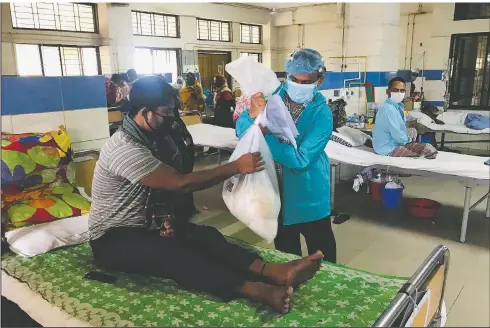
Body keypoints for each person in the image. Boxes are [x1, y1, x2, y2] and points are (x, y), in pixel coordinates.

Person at [89, 75, 324, 314]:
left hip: (148, 226)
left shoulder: (152, 138)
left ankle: (273, 272)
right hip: (113, 238)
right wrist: (235, 167)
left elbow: (157, 189)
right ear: (145, 112)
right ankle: (255, 290)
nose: (171, 119)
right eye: (166, 113)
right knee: (177, 255)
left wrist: (165, 219)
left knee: (207, 237)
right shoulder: (124, 148)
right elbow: (178, 183)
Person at [236, 48, 337, 263]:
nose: (299, 86)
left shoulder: (322, 113)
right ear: (287, 76)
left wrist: (265, 137)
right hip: (277, 195)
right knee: (287, 261)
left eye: (306, 81)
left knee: (323, 261)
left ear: (319, 81)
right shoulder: (270, 98)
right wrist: (252, 116)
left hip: (309, 198)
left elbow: (301, 160)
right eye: (294, 79)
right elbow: (241, 130)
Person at [372, 77, 438, 159]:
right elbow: (398, 136)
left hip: (393, 143)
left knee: (416, 136)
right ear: (388, 92)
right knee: (428, 149)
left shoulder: (397, 107)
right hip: (388, 149)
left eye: (402, 90)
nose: (399, 93)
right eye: (395, 90)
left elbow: (398, 130)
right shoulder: (388, 110)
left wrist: (408, 136)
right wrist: (409, 140)